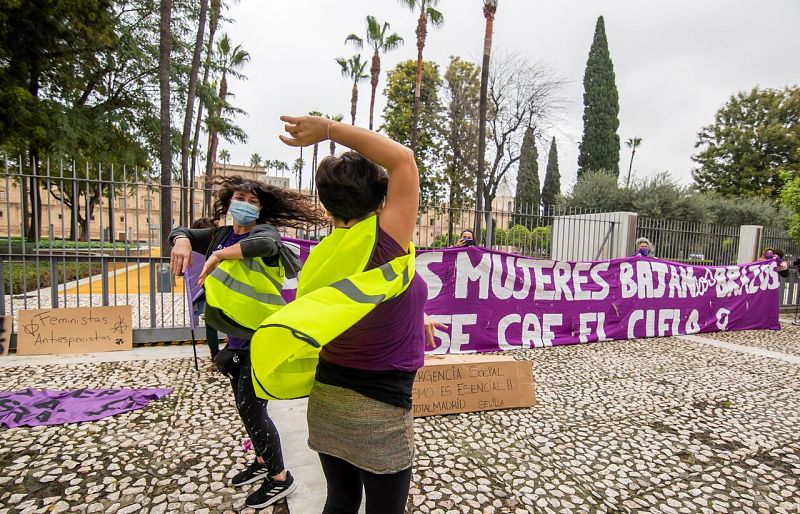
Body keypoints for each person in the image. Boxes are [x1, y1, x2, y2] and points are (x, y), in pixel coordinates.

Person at [274, 114, 441, 514]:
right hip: (378, 407)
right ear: (381, 198)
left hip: (327, 397)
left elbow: (358, 307)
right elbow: (403, 160)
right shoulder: (384, 241)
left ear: (328, 203)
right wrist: (328, 130)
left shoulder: (323, 258)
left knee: (341, 500)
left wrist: (414, 318)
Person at [168, 176, 327, 509]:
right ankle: (261, 460)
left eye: (253, 201)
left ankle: (280, 478)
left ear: (262, 209)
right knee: (251, 409)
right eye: (240, 198)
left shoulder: (263, 233)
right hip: (237, 339)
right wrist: (181, 241)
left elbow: (266, 247)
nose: (246, 205)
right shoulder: (219, 235)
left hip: (263, 338)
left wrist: (220, 256)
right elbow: (179, 230)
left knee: (251, 409)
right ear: (229, 203)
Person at [189, 217, 220, 362]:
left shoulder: (193, 251)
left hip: (205, 292)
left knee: (210, 323)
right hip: (220, 289)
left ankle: (215, 354)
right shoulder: (220, 247)